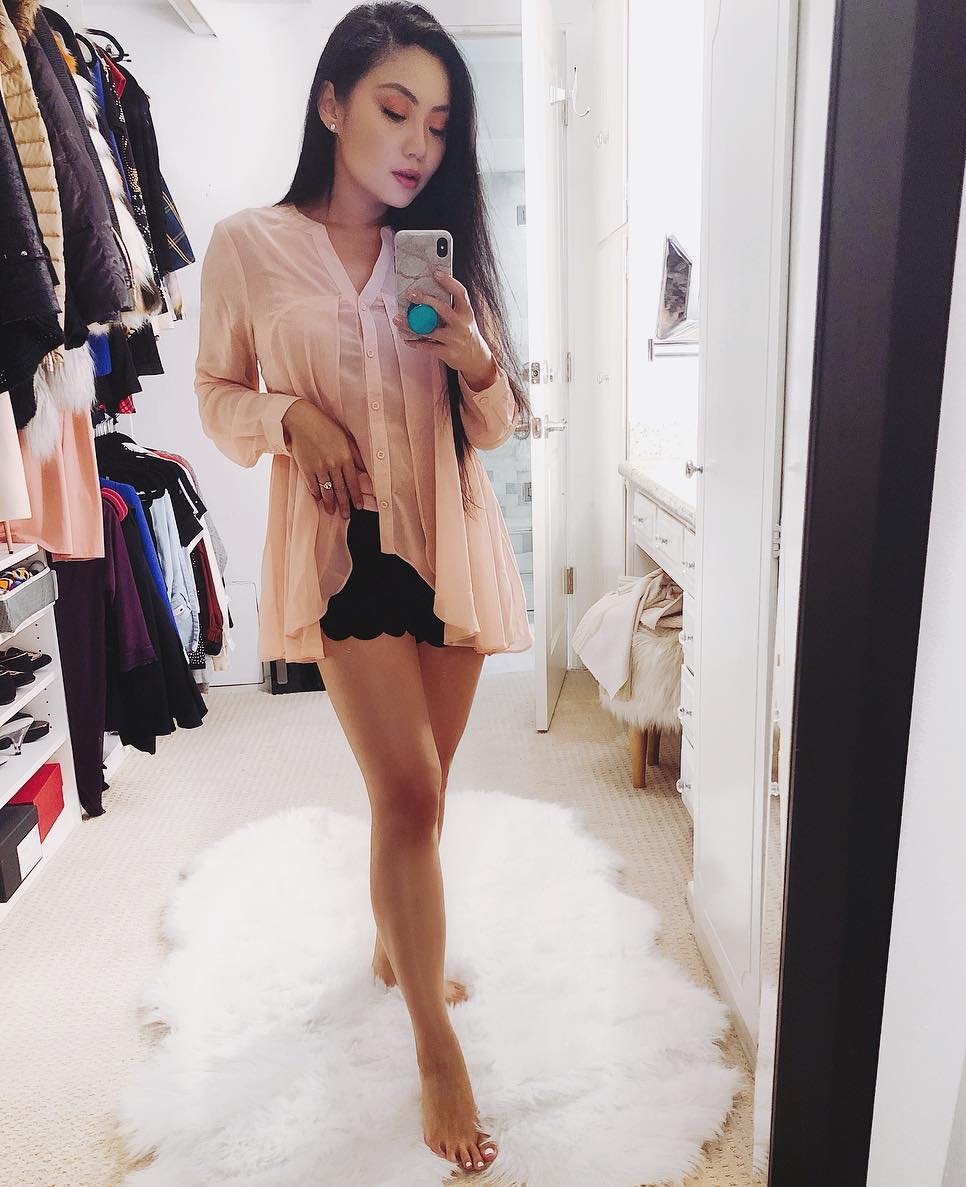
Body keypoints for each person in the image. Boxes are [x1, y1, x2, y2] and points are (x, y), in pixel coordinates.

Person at [193, 3, 534, 1174]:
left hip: (449, 540)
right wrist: (286, 414)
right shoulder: (248, 245)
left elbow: (498, 422)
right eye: (396, 110)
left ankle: (397, 945)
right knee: (409, 790)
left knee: (424, 795)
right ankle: (435, 1047)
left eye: (439, 124)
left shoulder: (437, 249)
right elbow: (217, 394)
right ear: (332, 103)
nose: (418, 144)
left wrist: (473, 358)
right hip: (345, 550)